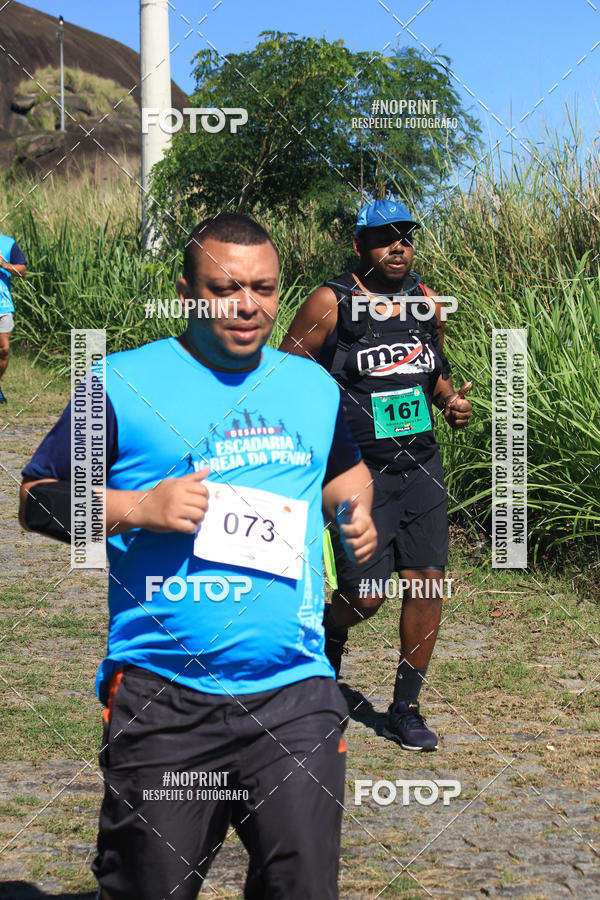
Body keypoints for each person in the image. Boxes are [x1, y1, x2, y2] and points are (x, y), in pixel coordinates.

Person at [19, 214, 377, 899]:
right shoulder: (118, 383)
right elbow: (38, 500)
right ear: (187, 292)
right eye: (226, 288)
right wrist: (139, 509)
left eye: (265, 289)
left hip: (295, 695)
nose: (249, 306)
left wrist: (352, 511)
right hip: (165, 702)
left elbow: (341, 472)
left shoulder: (312, 387)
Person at [280, 198, 472, 752]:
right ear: (360, 246)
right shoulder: (330, 301)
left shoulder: (424, 302)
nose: (399, 247)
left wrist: (450, 404)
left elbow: (434, 376)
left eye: (406, 237)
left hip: (421, 467)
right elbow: (284, 377)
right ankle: (327, 634)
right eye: (385, 237)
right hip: (357, 474)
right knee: (366, 598)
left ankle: (405, 709)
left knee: (426, 584)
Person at [0, 232, 27, 404]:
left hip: (3, 306)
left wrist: (4, 264)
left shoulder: (8, 243)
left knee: (3, 350)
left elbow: (22, 271)